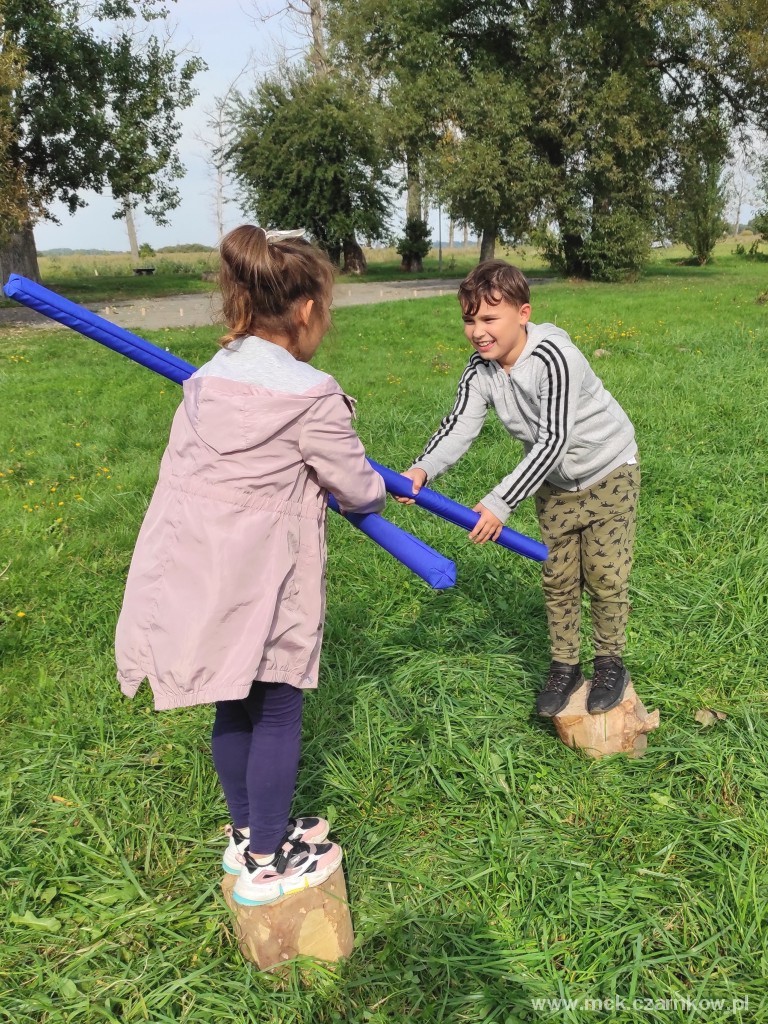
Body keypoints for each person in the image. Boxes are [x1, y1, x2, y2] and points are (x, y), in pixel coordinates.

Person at [115, 225, 385, 906]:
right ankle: (269, 857)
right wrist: (384, 488)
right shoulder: (313, 395)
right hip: (265, 582)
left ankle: (247, 832)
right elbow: (357, 487)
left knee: (231, 701)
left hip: (201, 576)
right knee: (277, 706)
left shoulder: (206, 380)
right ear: (305, 311)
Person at [398, 260, 639, 718]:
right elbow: (458, 427)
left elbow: (555, 439)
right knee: (560, 578)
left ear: (523, 313)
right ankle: (566, 665)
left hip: (609, 470)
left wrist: (499, 503)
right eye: (469, 320)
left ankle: (610, 662)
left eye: (489, 319)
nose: (477, 331)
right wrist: (422, 470)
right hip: (553, 483)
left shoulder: (554, 358)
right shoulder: (481, 370)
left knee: (606, 576)